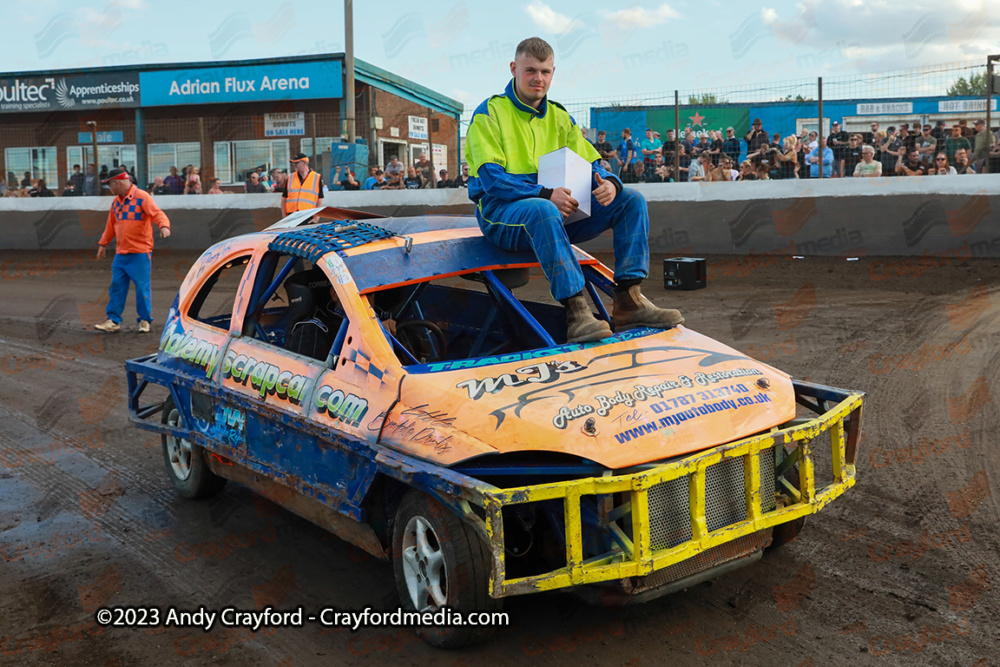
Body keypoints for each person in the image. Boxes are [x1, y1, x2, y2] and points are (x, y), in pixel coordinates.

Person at [464, 37, 682, 344]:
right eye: (530, 70)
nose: (538, 78)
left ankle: (629, 302)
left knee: (630, 200)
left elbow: (591, 158)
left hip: (552, 209)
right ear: (514, 69)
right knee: (543, 209)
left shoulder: (559, 116)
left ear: (553, 72)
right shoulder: (489, 113)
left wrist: (609, 182)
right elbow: (491, 180)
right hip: (501, 214)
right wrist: (544, 193)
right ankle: (577, 312)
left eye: (544, 71)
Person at [93, 167, 171, 333]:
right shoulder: (116, 203)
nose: (110, 189)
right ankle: (113, 320)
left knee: (142, 288)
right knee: (116, 288)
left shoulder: (142, 197)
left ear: (118, 183)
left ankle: (144, 320)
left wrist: (164, 226)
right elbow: (110, 226)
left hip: (140, 253)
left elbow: (158, 214)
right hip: (121, 254)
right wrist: (103, 243)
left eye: (110, 185)